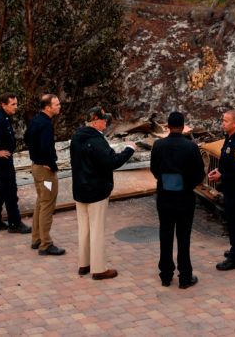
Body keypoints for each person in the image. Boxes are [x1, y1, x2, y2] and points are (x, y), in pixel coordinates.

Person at [69, 106, 136, 280]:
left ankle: (83, 264)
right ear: (95, 121)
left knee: (84, 229)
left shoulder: (77, 137)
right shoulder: (97, 140)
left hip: (80, 189)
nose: (106, 122)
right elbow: (112, 162)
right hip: (96, 190)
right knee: (97, 229)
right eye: (103, 119)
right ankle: (98, 269)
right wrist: (129, 149)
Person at [150, 111, 206, 289]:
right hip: (184, 199)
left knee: (165, 236)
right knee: (184, 238)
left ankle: (165, 275)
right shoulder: (191, 147)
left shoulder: (158, 145)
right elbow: (199, 174)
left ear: (167, 126)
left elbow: (154, 169)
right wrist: (187, 185)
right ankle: (185, 276)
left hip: (165, 198)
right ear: (183, 127)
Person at [208, 110, 235, 270]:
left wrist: (221, 176)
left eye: (226, 121)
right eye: (223, 120)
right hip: (231, 189)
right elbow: (228, 163)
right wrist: (220, 171)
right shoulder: (230, 139)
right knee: (233, 222)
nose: (222, 123)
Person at [0, 93, 31, 234]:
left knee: (0, 190)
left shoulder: (3, 116)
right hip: (2, 161)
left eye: (16, 104)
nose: (16, 107)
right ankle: (14, 223)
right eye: (13, 104)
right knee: (10, 191)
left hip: (2, 160)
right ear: (3, 105)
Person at [25, 93, 65, 256]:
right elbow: (46, 147)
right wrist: (51, 164)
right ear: (47, 107)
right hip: (45, 171)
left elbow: (26, 138)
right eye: (56, 104)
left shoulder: (36, 120)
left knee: (41, 203)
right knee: (47, 204)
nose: (59, 106)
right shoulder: (46, 124)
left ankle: (36, 239)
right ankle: (45, 244)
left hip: (36, 167)